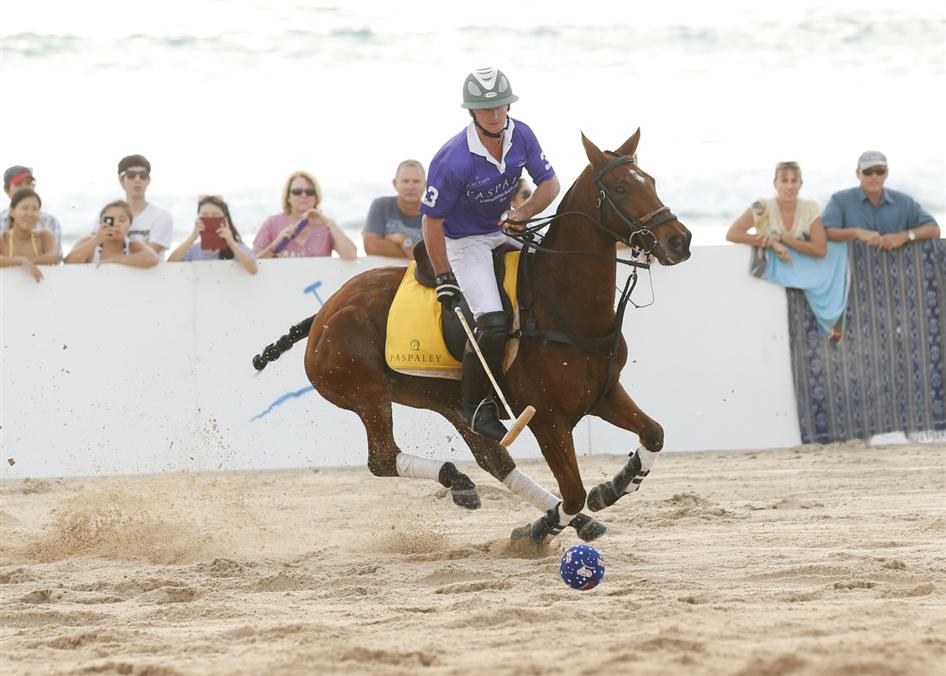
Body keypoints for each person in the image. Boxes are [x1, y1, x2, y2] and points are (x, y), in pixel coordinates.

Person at [421, 67, 561, 441]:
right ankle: (474, 407)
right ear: (472, 113)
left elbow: (550, 184)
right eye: (486, 109)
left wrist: (521, 214)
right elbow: (431, 222)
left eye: (500, 105)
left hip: (503, 228)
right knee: (494, 320)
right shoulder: (452, 158)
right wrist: (444, 278)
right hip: (465, 241)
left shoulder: (523, 134)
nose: (495, 114)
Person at [822, 151, 940, 248]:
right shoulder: (840, 200)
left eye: (879, 171)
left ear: (886, 173)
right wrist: (856, 233)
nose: (874, 177)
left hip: (897, 272)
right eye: (868, 172)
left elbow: (934, 229)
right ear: (858, 173)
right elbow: (825, 233)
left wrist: (905, 236)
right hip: (851, 272)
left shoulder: (905, 202)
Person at [726, 160, 827, 264]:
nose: (789, 186)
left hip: (802, 269)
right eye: (784, 181)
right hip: (768, 271)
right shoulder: (762, 206)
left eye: (794, 181)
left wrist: (783, 239)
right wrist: (772, 243)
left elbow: (820, 250)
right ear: (775, 183)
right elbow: (732, 234)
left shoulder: (809, 208)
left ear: (800, 184)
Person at [254, 171, 357, 260]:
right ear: (288, 197)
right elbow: (254, 263)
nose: (304, 195)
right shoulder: (272, 223)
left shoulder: (327, 226)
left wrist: (329, 223)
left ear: (316, 197)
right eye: (297, 191)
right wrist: (275, 245)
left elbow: (351, 255)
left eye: (310, 192)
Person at [167, 195, 257, 274]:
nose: (210, 219)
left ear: (225, 219)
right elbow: (170, 265)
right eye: (204, 215)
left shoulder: (236, 246)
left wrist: (231, 242)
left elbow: (253, 269)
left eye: (215, 215)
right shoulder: (193, 249)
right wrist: (192, 238)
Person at [64, 200, 160, 268]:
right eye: (111, 220)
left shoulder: (132, 245)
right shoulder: (89, 242)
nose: (116, 224)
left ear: (130, 224)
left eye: (122, 220)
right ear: (101, 222)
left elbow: (153, 258)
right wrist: (96, 240)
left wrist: (115, 260)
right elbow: (68, 262)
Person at [362, 160, 426, 259]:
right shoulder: (382, 205)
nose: (410, 187)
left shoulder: (433, 213)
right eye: (405, 181)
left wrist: (403, 242)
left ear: (425, 185)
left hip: (420, 275)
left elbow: (435, 256)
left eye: (416, 181)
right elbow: (371, 247)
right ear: (395, 183)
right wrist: (414, 254)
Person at [116, 154, 174, 258]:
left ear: (148, 180)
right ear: (121, 180)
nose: (137, 179)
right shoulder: (106, 214)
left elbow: (149, 255)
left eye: (143, 175)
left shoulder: (161, 216)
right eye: (131, 175)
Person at [0, 189, 60, 282]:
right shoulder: (3, 238)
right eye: (25, 208)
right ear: (12, 212)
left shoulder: (44, 236)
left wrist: (27, 262)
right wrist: (21, 260)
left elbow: (54, 257)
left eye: (35, 209)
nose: (30, 214)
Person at [2, 166, 63, 253]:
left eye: (28, 183)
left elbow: (55, 260)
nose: (25, 188)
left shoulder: (50, 222)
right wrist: (22, 262)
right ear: (6, 190)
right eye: (18, 184)